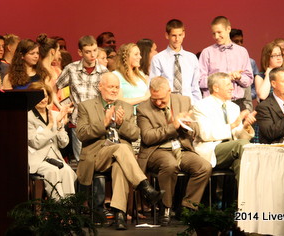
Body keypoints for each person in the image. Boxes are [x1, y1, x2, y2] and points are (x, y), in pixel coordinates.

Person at [76, 72, 162, 230]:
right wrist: (104, 122)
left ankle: (119, 216)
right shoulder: (86, 106)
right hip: (97, 156)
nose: (114, 90)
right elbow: (81, 134)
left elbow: (135, 135)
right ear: (100, 87)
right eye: (110, 87)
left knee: (120, 167)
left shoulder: (127, 107)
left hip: (121, 158)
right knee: (122, 148)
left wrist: (121, 124)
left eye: (117, 87)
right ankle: (144, 186)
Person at [136, 76, 211, 224]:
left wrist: (186, 125)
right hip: (156, 150)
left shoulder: (184, 101)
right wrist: (173, 126)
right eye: (154, 99)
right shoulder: (143, 109)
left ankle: (187, 208)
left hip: (181, 148)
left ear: (169, 91)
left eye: (162, 99)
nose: (158, 102)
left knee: (204, 167)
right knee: (170, 164)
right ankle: (166, 207)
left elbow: (195, 128)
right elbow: (148, 137)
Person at [193, 72, 256, 182]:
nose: (232, 88)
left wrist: (245, 127)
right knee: (243, 146)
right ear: (216, 88)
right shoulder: (201, 106)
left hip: (232, 150)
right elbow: (205, 134)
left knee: (240, 163)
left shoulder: (234, 107)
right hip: (212, 149)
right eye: (228, 85)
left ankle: (244, 198)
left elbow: (239, 137)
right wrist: (232, 125)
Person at [56, 35, 108, 162]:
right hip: (78, 121)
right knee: (82, 162)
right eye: (88, 51)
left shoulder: (103, 71)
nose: (92, 55)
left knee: (97, 161)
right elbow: (55, 87)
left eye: (95, 50)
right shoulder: (71, 69)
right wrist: (61, 106)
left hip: (97, 122)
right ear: (80, 52)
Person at [28, 83, 76, 199]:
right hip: (37, 160)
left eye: (45, 96)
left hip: (54, 158)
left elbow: (63, 143)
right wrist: (49, 126)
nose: (43, 99)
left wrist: (59, 125)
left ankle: (70, 210)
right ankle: (58, 209)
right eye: (39, 96)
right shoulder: (27, 116)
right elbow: (35, 142)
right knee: (53, 171)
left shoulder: (55, 115)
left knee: (67, 171)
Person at [198, 16, 253, 110]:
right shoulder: (207, 53)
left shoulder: (242, 52)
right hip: (214, 105)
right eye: (213, 33)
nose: (216, 37)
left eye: (219, 32)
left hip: (237, 103)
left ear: (228, 29)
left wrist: (239, 77)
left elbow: (249, 80)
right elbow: (200, 81)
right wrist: (222, 79)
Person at [150, 19, 202, 104]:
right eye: (174, 35)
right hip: (167, 104)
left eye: (180, 35)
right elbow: (154, 85)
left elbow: (195, 87)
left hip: (189, 104)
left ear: (184, 34)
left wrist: (197, 105)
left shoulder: (192, 58)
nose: (177, 39)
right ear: (167, 35)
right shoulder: (158, 59)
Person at [230, 28, 259, 111]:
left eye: (241, 41)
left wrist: (248, 95)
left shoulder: (250, 62)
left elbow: (255, 87)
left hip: (245, 104)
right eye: (236, 41)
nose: (240, 44)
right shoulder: (223, 62)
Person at [112, 43, 149, 109]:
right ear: (126, 57)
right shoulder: (116, 75)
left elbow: (148, 95)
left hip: (144, 114)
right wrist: (143, 98)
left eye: (139, 54)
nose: (140, 57)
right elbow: (118, 100)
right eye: (136, 54)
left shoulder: (141, 75)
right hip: (128, 114)